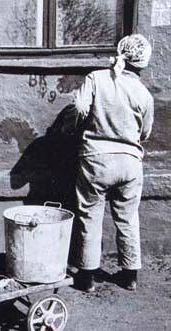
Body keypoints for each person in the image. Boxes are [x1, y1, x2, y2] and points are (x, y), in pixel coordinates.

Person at [72, 34, 154, 292]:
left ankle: (86, 278)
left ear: (120, 52)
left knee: (90, 217)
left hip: (96, 160)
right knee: (128, 219)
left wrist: (80, 130)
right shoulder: (144, 94)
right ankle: (130, 276)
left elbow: (79, 108)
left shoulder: (96, 78)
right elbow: (145, 134)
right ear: (142, 63)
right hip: (130, 163)